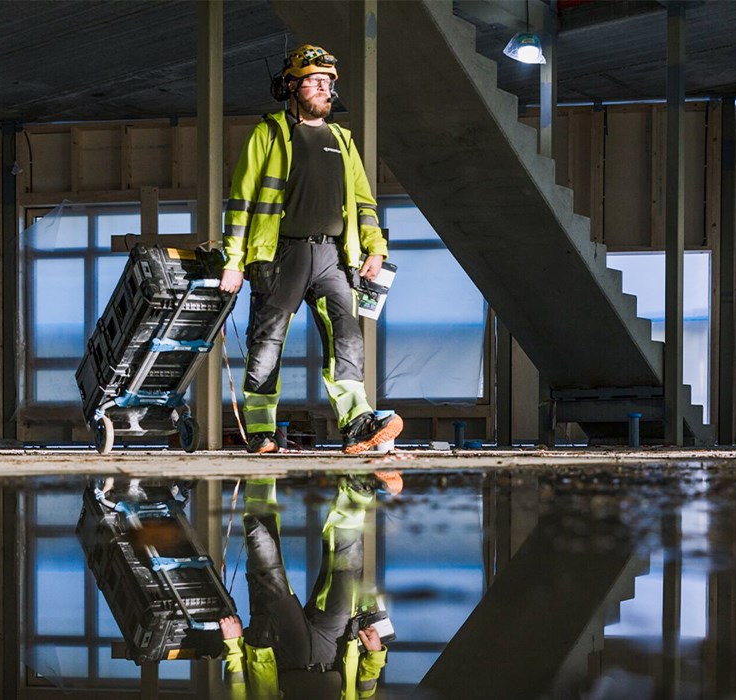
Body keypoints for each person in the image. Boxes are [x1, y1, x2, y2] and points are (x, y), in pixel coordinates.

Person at [220, 43, 402, 455]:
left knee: (347, 336)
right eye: (314, 82)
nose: (324, 89)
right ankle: (262, 430)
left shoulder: (342, 139)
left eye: (328, 82)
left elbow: (364, 203)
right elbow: (242, 203)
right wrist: (234, 262)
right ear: (291, 87)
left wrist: (375, 248)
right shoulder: (268, 134)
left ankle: (356, 422)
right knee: (267, 341)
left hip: (334, 257)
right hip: (281, 255)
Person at [219, 477, 392, 699]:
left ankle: (260, 471)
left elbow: (238, 694)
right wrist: (374, 656)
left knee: (263, 555)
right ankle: (356, 490)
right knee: (346, 570)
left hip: (280, 653)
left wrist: (233, 645)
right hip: (333, 652)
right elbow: (366, 694)